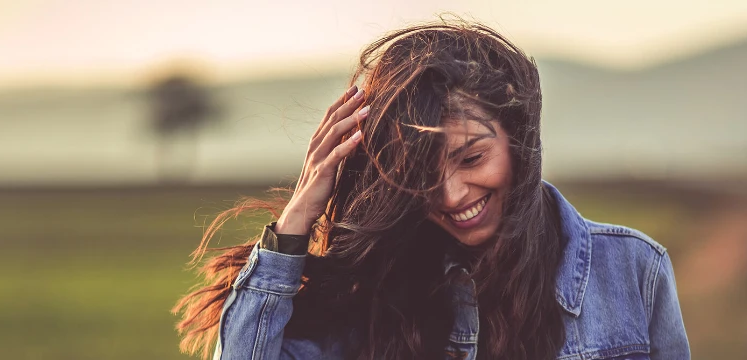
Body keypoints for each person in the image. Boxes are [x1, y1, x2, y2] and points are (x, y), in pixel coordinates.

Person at [173, 20, 689, 360]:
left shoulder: (632, 270)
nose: (450, 195)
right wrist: (294, 225)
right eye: (420, 173)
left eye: (472, 158)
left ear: (520, 140)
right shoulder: (377, 293)